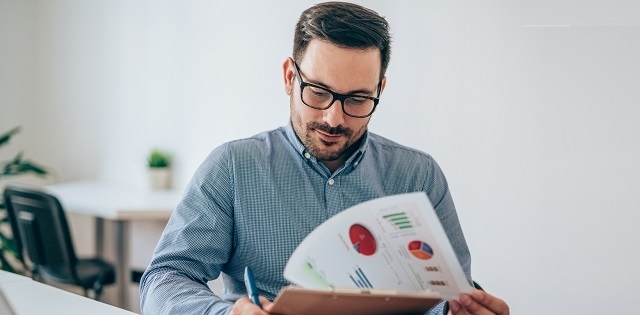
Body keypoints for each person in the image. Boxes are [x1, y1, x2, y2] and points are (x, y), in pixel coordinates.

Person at [140, 2, 509, 315]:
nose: (334, 118)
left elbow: (445, 298)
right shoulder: (234, 167)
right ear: (289, 77)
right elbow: (164, 278)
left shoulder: (419, 177)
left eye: (358, 99)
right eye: (318, 92)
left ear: (380, 89)